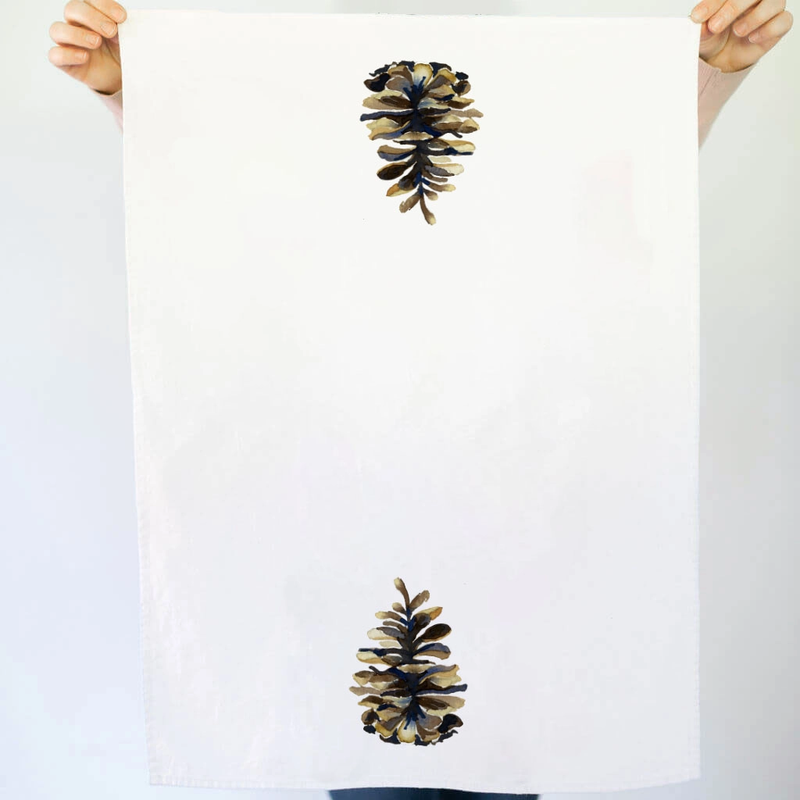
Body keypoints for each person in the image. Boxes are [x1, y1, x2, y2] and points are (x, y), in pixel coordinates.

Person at [46, 3, 792, 800]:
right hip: (345, 510)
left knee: (495, 740)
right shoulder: (282, 50)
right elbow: (235, 191)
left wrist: (709, 71)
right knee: (377, 761)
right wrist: (144, 85)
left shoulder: (549, 56)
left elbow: (617, 188)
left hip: (513, 517)